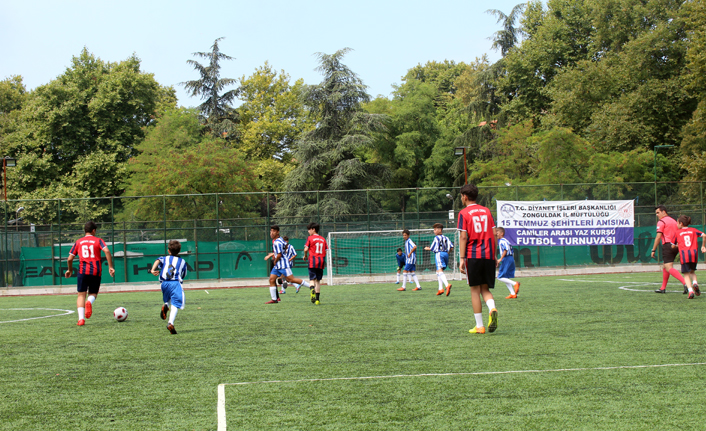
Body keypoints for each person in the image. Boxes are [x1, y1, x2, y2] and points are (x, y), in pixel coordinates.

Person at [457, 184, 498, 334]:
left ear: (465, 197)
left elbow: (463, 237)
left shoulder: (463, 213)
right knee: (485, 289)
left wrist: (462, 258)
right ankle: (492, 308)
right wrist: (494, 254)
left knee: (475, 290)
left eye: (461, 196)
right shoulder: (487, 211)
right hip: (488, 255)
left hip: (473, 255)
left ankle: (479, 326)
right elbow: (494, 234)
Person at [65, 221, 116, 326]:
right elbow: (107, 251)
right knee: (93, 293)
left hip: (82, 272)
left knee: (81, 295)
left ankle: (81, 319)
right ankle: (89, 302)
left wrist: (69, 270)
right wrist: (110, 267)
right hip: (95, 271)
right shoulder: (99, 240)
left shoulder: (78, 242)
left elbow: (69, 259)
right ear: (93, 230)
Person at [264, 225, 310, 304]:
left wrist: (275, 261)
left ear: (278, 232)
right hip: (278, 266)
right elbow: (284, 246)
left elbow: (279, 255)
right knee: (271, 279)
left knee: (291, 279)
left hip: (283, 265)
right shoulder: (280, 239)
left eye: (274, 231)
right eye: (271, 231)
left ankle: (311, 286)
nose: (271, 233)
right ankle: (274, 299)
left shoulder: (277, 242)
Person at [150, 240, 187, 334]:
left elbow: (158, 260)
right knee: (176, 303)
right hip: (175, 283)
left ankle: (166, 304)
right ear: (179, 251)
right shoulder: (182, 261)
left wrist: (152, 270)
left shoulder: (165, 258)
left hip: (164, 283)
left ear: (168, 251)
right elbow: (183, 274)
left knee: (170, 298)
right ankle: (170, 323)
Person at [651, 205, 688, 294]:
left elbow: (658, 237)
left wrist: (653, 249)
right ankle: (663, 288)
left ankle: (685, 282)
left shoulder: (661, 222)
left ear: (664, 212)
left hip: (668, 246)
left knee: (668, 267)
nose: (657, 215)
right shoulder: (673, 221)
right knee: (665, 266)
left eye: (658, 212)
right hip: (676, 245)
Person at [672, 215, 706, 299]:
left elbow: (672, 246)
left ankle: (690, 291)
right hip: (694, 254)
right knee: (692, 272)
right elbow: (704, 235)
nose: (677, 224)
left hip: (685, 256)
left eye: (677, 222)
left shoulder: (677, 232)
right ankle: (695, 283)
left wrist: (677, 245)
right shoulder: (693, 230)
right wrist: (703, 246)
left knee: (686, 274)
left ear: (681, 223)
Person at [424, 223, 453, 296]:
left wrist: (427, 248)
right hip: (446, 254)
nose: (434, 231)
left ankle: (447, 285)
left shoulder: (436, 238)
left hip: (439, 254)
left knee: (440, 271)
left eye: (435, 229)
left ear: (440, 230)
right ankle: (440, 289)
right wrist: (447, 253)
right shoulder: (446, 238)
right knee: (438, 271)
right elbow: (451, 247)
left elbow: (433, 248)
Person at [303, 222, 328, 305]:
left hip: (312, 261)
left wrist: (305, 255)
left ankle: (312, 289)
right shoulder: (323, 239)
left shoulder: (310, 238)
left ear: (313, 229)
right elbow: (326, 251)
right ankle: (317, 300)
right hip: (321, 262)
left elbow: (306, 249)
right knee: (318, 281)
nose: (308, 231)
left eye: (309, 229)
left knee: (312, 279)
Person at [495, 227, 520, 299]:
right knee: (505, 277)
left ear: (502, 233)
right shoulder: (505, 240)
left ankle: (515, 283)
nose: (496, 234)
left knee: (500, 277)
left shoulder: (502, 241)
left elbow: (506, 249)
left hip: (507, 258)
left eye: (497, 233)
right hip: (510, 258)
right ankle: (513, 294)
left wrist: (501, 259)